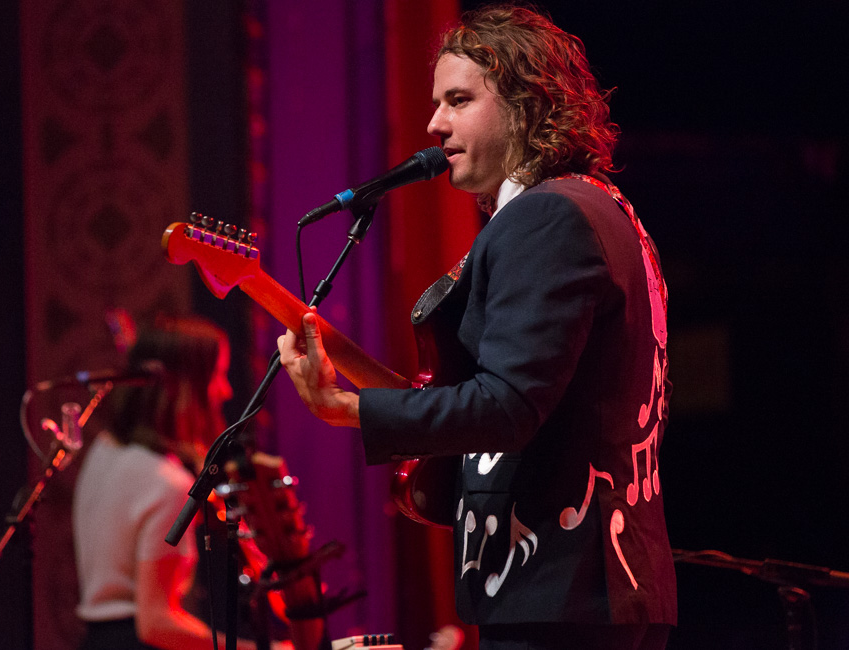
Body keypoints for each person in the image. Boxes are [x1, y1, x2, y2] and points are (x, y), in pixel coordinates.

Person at [278, 4, 676, 649]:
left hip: (557, 586)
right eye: (438, 102)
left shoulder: (544, 219)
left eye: (459, 100)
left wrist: (347, 408)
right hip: (599, 585)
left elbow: (510, 405)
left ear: (526, 105)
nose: (434, 123)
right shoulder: (605, 210)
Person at [73, 314, 248, 650]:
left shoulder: (104, 450)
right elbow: (155, 624)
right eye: (218, 376)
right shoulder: (167, 484)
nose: (226, 391)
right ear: (185, 386)